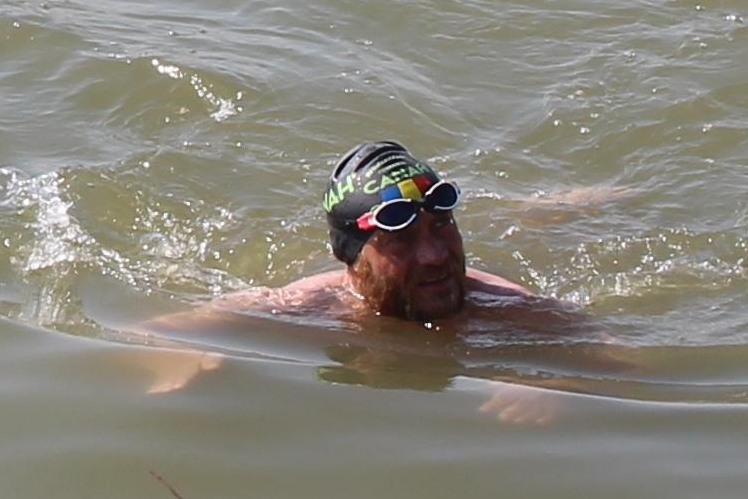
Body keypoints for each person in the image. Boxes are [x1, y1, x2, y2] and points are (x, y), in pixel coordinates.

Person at [147, 141, 625, 419]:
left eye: (443, 226)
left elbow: (622, 359)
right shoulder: (300, 306)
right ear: (351, 257)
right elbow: (153, 329)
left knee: (529, 227)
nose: (436, 255)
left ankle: (567, 205)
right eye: (402, 240)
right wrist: (182, 356)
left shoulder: (509, 306)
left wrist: (554, 384)